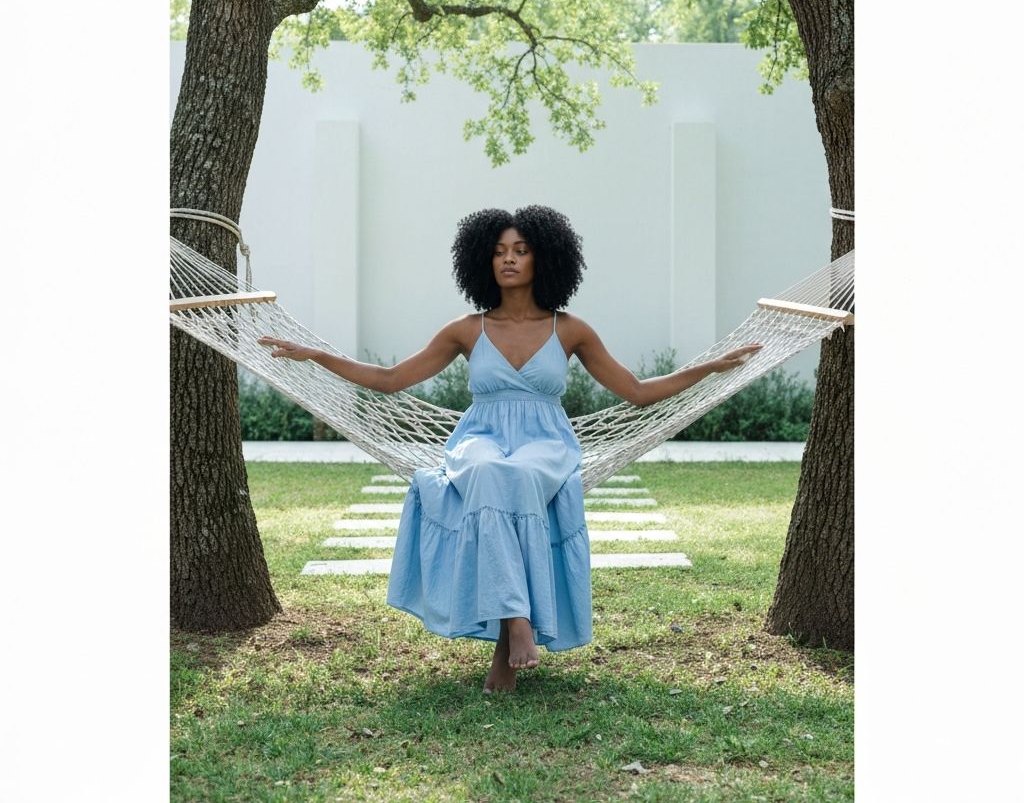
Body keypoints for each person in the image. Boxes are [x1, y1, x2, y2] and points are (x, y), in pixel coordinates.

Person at [258, 205, 761, 693]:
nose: (509, 259)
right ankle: (517, 622)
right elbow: (391, 380)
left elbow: (637, 391)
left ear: (545, 258)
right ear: (483, 260)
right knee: (487, 471)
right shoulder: (466, 330)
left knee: (514, 475)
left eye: (521, 250)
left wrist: (708, 369)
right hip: (479, 438)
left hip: (545, 444)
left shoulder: (570, 330)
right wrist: (316, 355)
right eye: (499, 251)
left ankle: (508, 639)